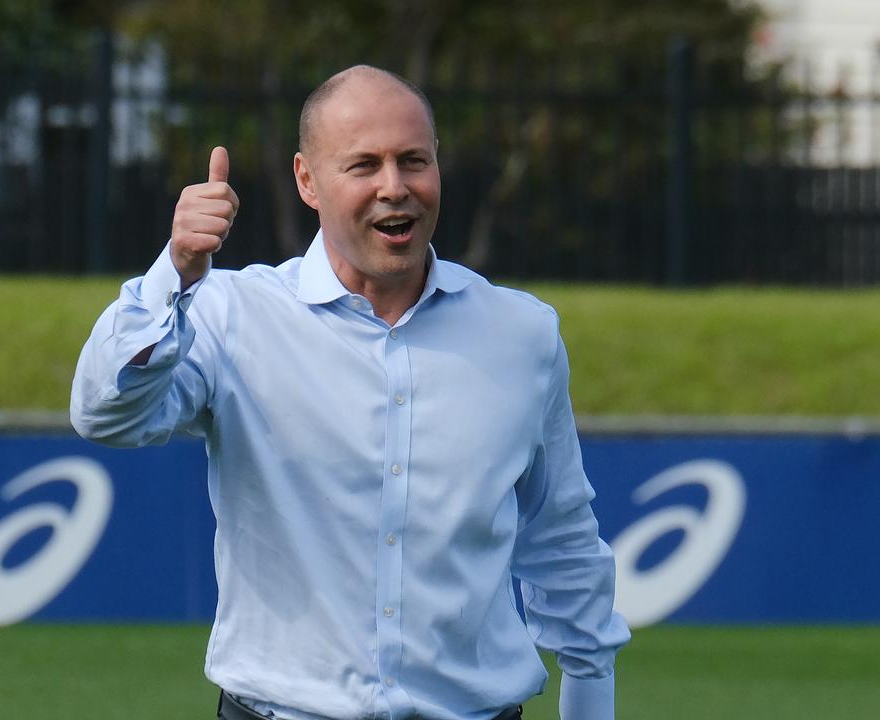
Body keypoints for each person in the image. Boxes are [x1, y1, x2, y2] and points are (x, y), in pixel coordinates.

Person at [71, 65, 629, 720]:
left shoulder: (522, 333)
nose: (395, 188)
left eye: (413, 161)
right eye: (364, 165)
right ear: (308, 180)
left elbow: (560, 540)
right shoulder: (232, 313)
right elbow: (107, 412)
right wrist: (174, 273)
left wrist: (591, 698)